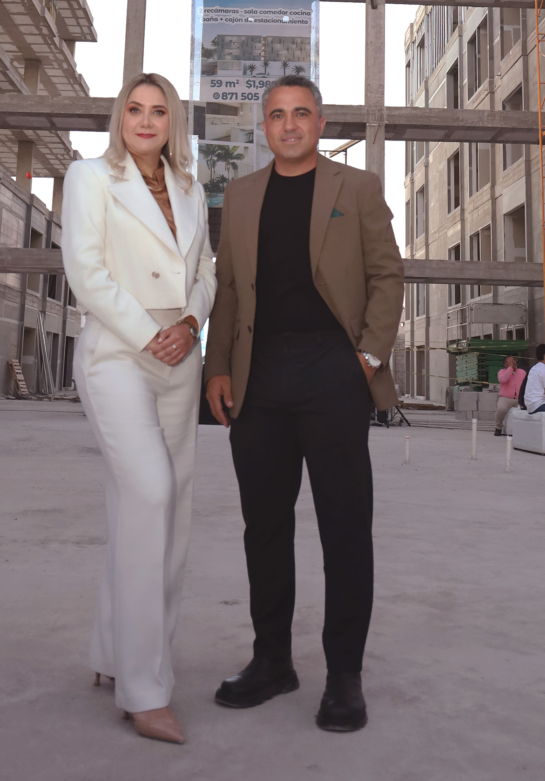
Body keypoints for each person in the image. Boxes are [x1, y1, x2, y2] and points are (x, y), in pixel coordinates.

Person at [204, 75, 404, 734]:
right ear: (264, 126)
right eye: (276, 115)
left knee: (344, 525)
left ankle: (344, 674)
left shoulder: (358, 188)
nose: (288, 125)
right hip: (259, 373)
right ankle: (272, 660)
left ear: (321, 123)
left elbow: (387, 274)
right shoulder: (240, 196)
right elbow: (227, 289)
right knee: (264, 525)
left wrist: (366, 358)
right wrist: (218, 365)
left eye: (301, 113)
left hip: (332, 368)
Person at [62, 72, 216, 746]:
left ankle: (111, 649)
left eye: (159, 111)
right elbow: (86, 272)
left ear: (172, 121)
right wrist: (152, 332)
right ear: (119, 117)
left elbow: (207, 270)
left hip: (180, 351)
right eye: (134, 109)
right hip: (119, 350)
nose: (146, 121)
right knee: (149, 491)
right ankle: (144, 690)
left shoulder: (191, 187)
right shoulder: (90, 177)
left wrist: (190, 322)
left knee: (167, 509)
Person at [495, 355, 526, 435]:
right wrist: (510, 369)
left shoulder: (522, 372)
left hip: (519, 398)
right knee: (501, 409)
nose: (513, 362)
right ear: (505, 364)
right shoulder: (501, 372)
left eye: (514, 360)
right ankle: (498, 427)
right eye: (511, 361)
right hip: (506, 397)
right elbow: (503, 379)